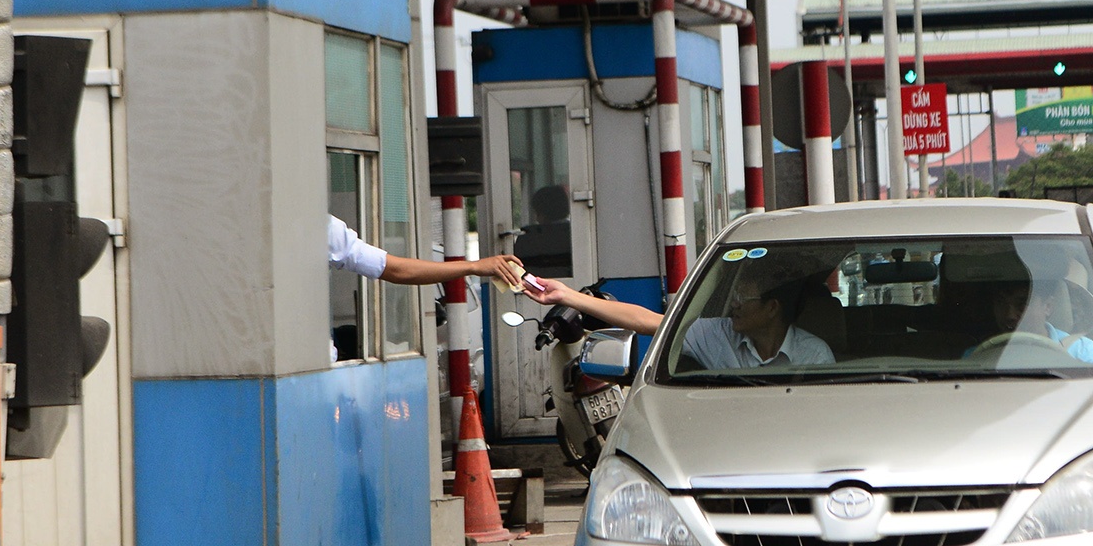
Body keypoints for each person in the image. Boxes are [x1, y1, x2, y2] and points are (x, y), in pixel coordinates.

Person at [525, 264, 834, 370]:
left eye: (743, 299)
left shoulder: (814, 354)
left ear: (772, 308)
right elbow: (647, 320)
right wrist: (567, 296)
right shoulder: (716, 335)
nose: (733, 306)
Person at [327, 214, 526, 288]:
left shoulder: (321, 226)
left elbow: (394, 269)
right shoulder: (320, 226)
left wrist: (473, 267)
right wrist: (473, 266)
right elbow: (396, 270)